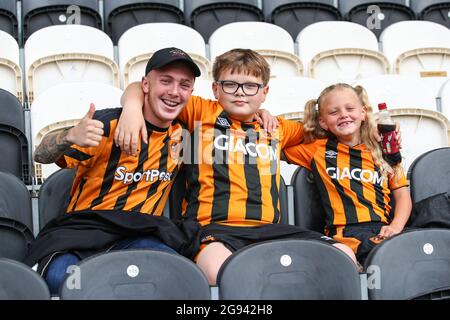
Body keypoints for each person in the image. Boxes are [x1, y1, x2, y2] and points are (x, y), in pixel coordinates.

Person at [115, 49, 358, 285]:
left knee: (342, 255)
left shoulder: (277, 129)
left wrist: (375, 137)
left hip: (269, 230)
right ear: (215, 89)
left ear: (264, 92)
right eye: (230, 85)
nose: (240, 93)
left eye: (250, 86)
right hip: (213, 231)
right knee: (225, 272)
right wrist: (131, 109)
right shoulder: (200, 112)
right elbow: (141, 88)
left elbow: (330, 129)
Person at [25, 47, 203, 295]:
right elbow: (40, 154)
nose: (174, 92)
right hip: (82, 236)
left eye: (184, 85)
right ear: (146, 85)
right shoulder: (106, 125)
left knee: (173, 275)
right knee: (65, 281)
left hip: (137, 236)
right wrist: (70, 135)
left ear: (191, 92)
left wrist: (264, 114)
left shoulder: (184, 137)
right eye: (166, 81)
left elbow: (238, 109)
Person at [283, 83, 412, 264]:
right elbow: (275, 143)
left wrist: (396, 226)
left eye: (350, 108)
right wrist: (303, 128)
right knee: (387, 257)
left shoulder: (384, 150)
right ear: (322, 122)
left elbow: (403, 195)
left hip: (385, 229)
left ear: (363, 113)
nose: (343, 114)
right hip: (346, 234)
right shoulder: (317, 150)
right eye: (334, 112)